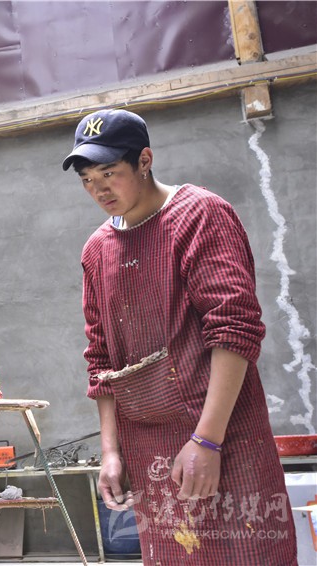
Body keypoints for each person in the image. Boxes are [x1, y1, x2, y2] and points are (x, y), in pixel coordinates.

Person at [63, 109, 297, 564]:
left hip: (225, 436)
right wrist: (111, 453)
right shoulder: (97, 250)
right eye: (87, 180)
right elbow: (101, 360)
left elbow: (234, 329)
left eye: (109, 173)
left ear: (144, 160)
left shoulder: (199, 214)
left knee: (249, 551)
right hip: (148, 447)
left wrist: (207, 441)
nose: (99, 189)